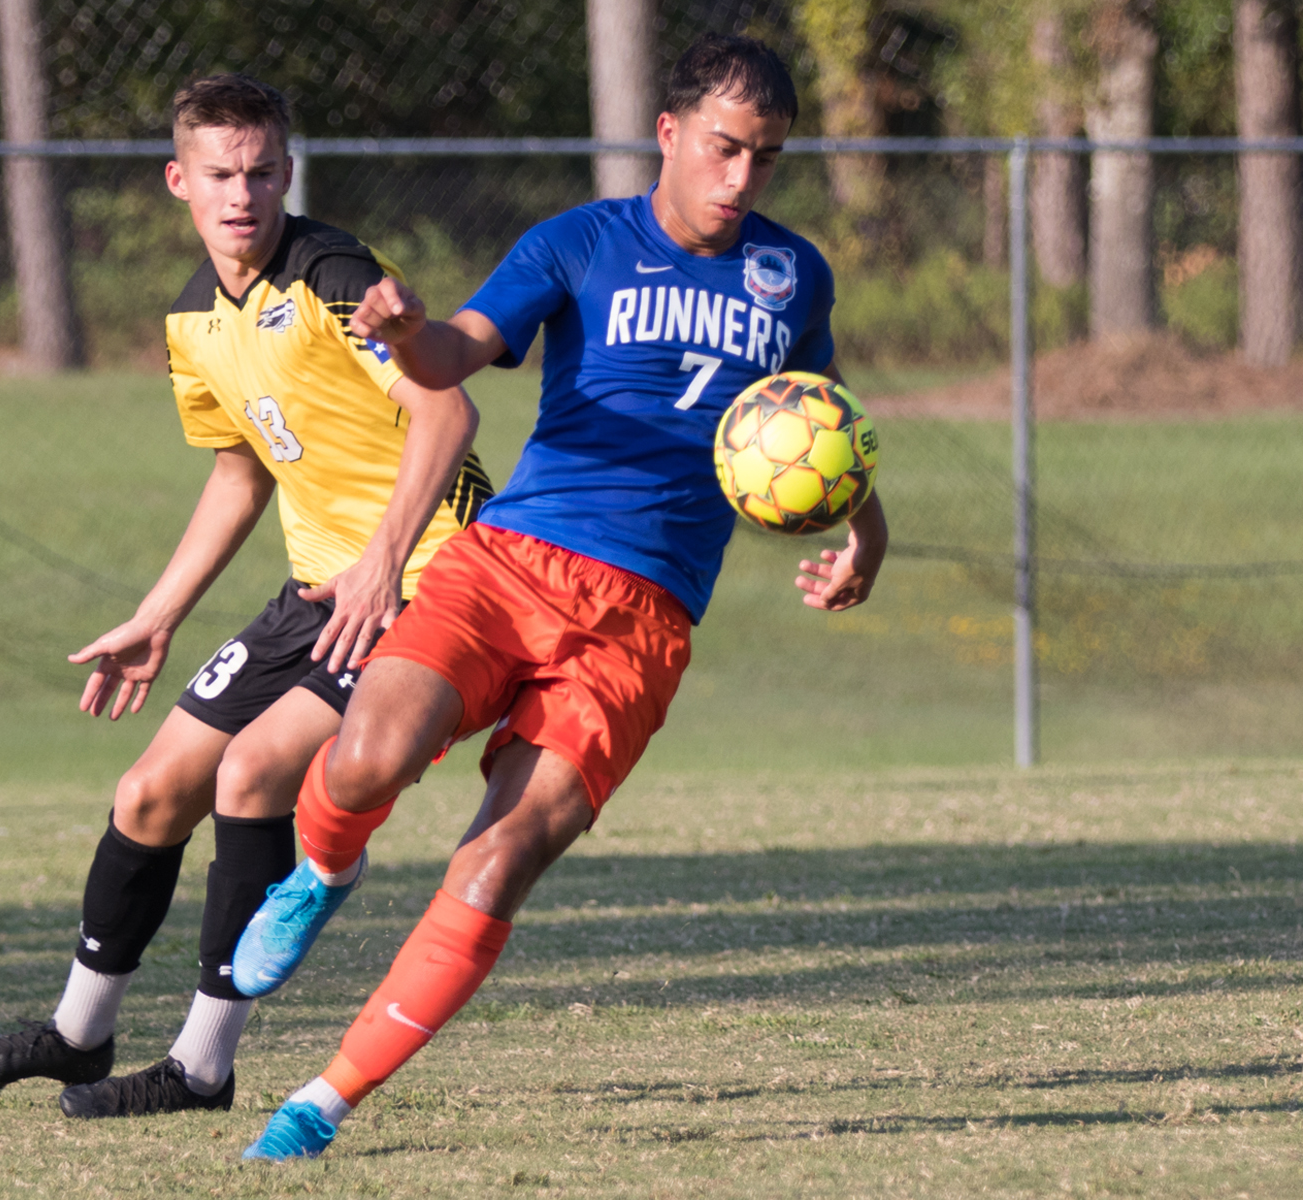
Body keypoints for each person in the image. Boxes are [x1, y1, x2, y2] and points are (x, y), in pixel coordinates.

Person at [232, 34, 889, 1160]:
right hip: (510, 565)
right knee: (362, 761)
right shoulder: (580, 242)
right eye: (726, 149)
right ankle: (324, 869)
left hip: (643, 623)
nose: (742, 180)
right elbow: (454, 356)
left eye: (767, 160)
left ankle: (323, 1102)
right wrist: (402, 335)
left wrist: (866, 534)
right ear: (671, 134)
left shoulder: (794, 275)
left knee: (498, 863)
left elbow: (821, 425)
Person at [0, 73, 490, 1120]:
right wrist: (159, 613)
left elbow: (447, 416)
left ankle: (201, 1065)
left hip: (428, 580)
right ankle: (79, 1034)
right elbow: (241, 473)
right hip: (315, 590)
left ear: (288, 172)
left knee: (252, 773)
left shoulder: (333, 275)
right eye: (221, 174)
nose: (243, 193)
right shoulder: (195, 318)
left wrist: (382, 558)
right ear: (178, 181)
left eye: (263, 172)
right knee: (150, 791)